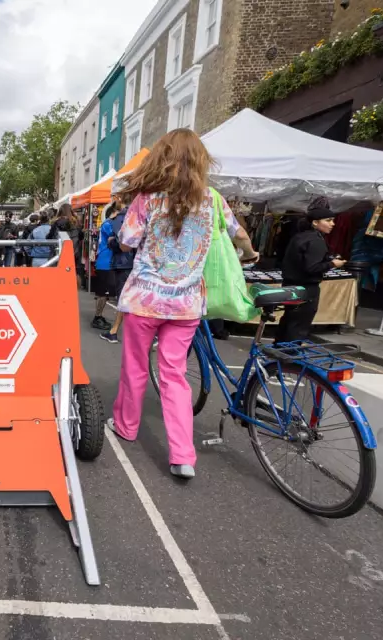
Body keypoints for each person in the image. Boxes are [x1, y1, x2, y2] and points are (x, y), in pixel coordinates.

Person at [110, 129, 258, 480]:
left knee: (135, 368)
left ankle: (127, 426)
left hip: (145, 300)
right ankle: (182, 455)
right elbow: (240, 236)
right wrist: (250, 255)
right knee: (174, 375)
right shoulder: (214, 200)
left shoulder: (147, 199)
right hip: (187, 303)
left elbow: (128, 242)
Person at [276, 207, 346, 344]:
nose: (333, 224)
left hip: (291, 285)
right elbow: (312, 268)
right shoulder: (315, 240)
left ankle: (279, 349)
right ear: (315, 222)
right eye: (329, 220)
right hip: (305, 288)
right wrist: (333, 264)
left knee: (290, 319)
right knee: (299, 323)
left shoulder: (300, 236)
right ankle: (289, 355)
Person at [99, 199, 136, 343]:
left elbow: (123, 244)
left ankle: (114, 331)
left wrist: (111, 242)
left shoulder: (122, 217)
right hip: (138, 263)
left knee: (124, 298)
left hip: (124, 262)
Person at [90, 204, 120, 331]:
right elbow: (118, 236)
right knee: (103, 293)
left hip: (106, 262)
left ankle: (99, 316)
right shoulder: (108, 224)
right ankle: (97, 317)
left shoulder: (107, 224)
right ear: (114, 212)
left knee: (104, 293)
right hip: (105, 262)